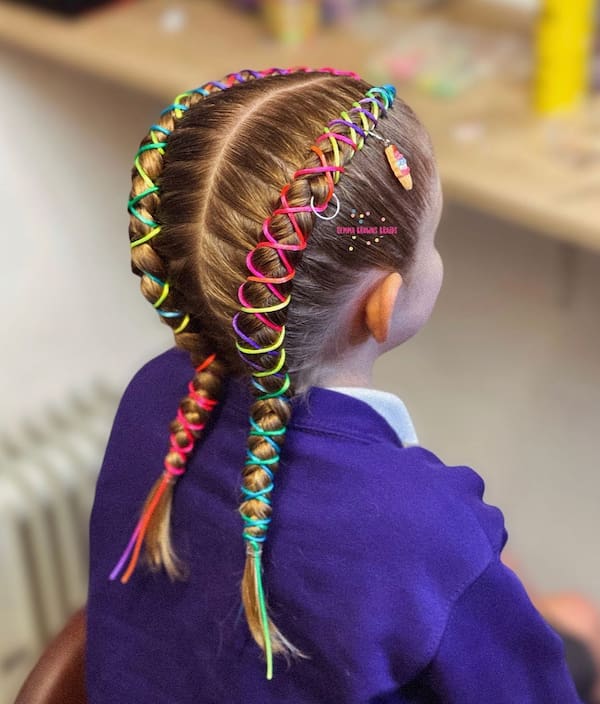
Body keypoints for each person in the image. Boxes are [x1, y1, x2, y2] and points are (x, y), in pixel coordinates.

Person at [86, 66, 583, 703]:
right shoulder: (424, 530)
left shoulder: (155, 393)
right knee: (577, 622)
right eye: (431, 238)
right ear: (383, 303)